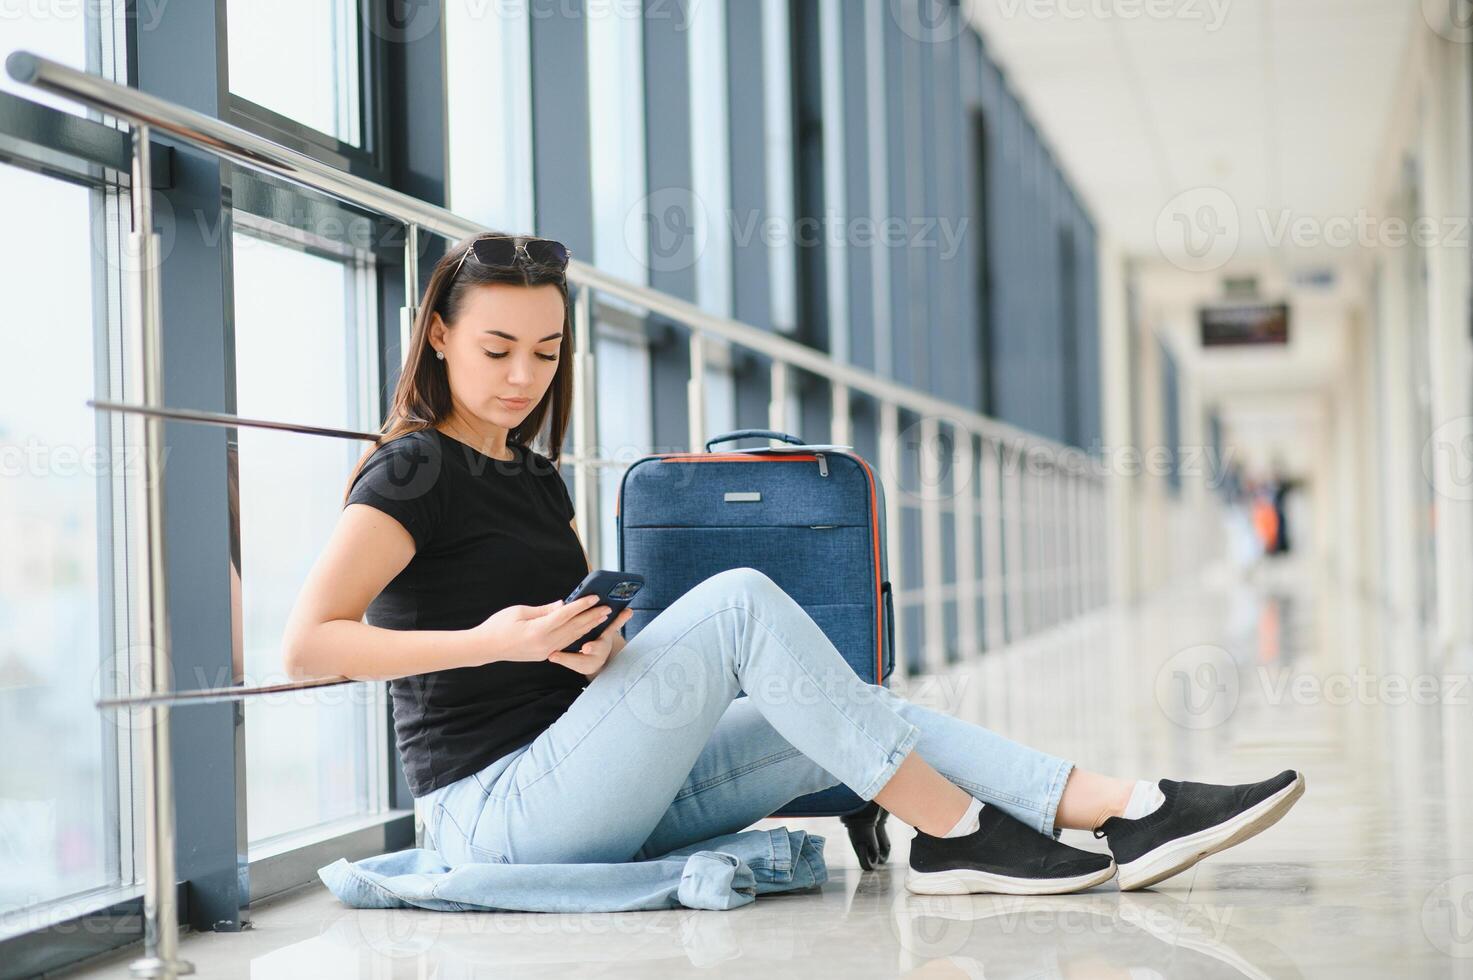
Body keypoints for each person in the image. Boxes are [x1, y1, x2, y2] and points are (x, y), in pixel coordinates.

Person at [282, 231, 1306, 896]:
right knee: (736, 604)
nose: (521, 375)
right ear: (439, 336)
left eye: (546, 352)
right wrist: (488, 640)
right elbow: (308, 643)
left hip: (586, 779)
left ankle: (1127, 806)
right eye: (497, 347)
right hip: (492, 814)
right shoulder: (415, 465)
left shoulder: (536, 476)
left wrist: (582, 651)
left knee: (847, 709)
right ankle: (955, 832)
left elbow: (549, 658)